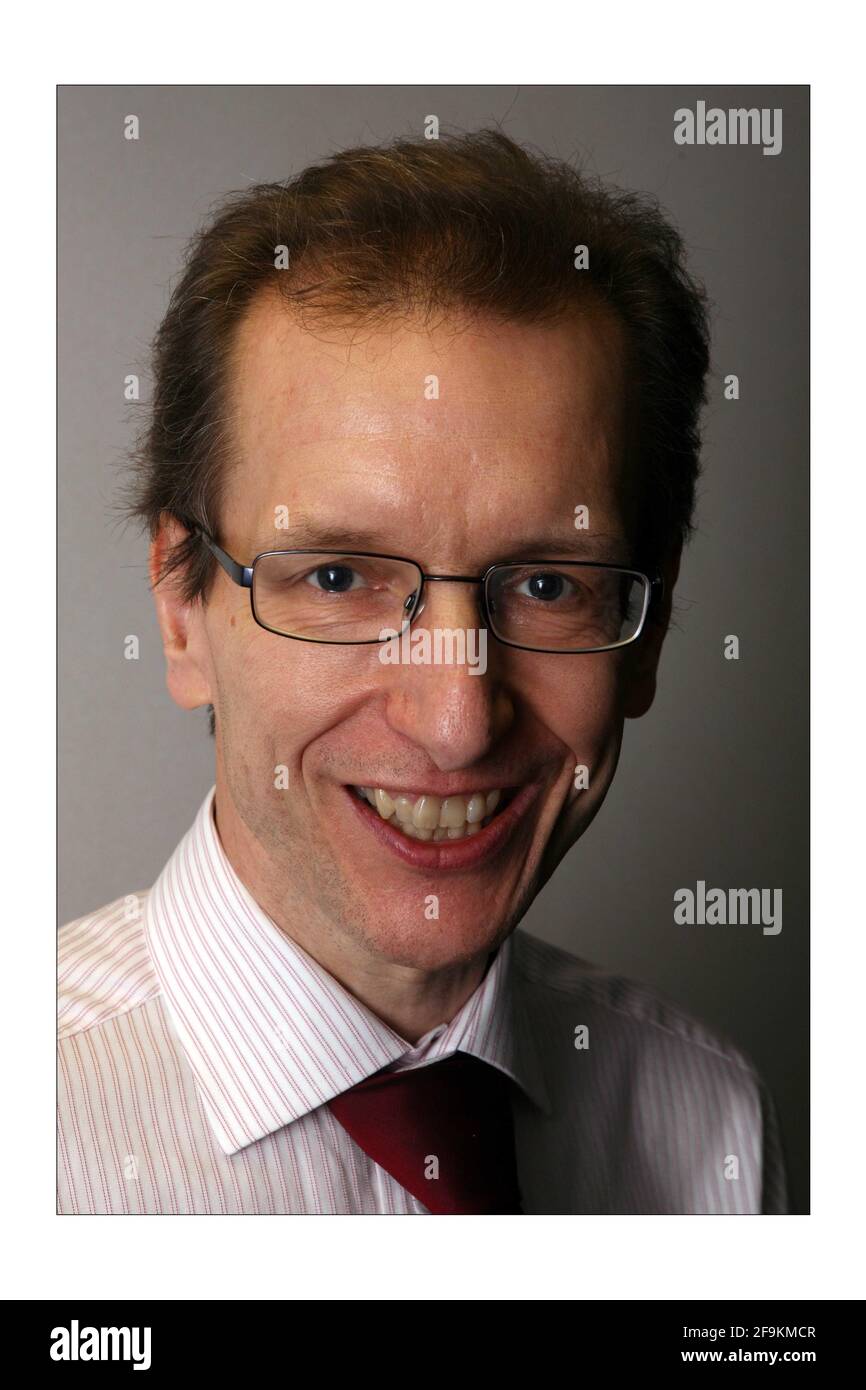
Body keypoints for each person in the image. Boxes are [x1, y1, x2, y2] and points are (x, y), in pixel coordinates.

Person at [58, 129, 788, 1214]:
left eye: (545, 586)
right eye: (341, 575)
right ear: (180, 609)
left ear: (650, 628)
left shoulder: (708, 1123)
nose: (455, 720)